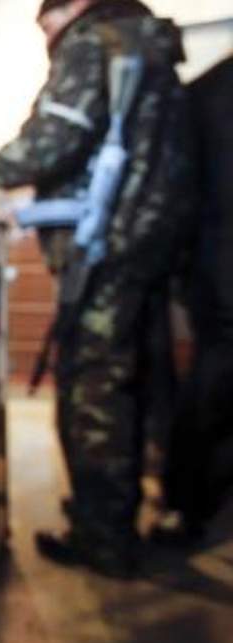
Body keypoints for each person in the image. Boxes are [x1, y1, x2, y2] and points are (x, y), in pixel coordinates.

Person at [0, 0, 194, 578]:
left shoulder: (93, 40)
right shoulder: (146, 46)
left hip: (104, 246)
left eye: (47, 22)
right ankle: (122, 511)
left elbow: (55, 138)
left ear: (71, 8)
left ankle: (102, 537)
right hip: (148, 239)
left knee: (92, 389)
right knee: (137, 376)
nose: (47, 35)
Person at [156, 54, 233, 545]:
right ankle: (188, 500)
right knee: (214, 380)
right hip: (219, 269)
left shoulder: (206, 91)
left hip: (213, 265)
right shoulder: (210, 92)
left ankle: (189, 502)